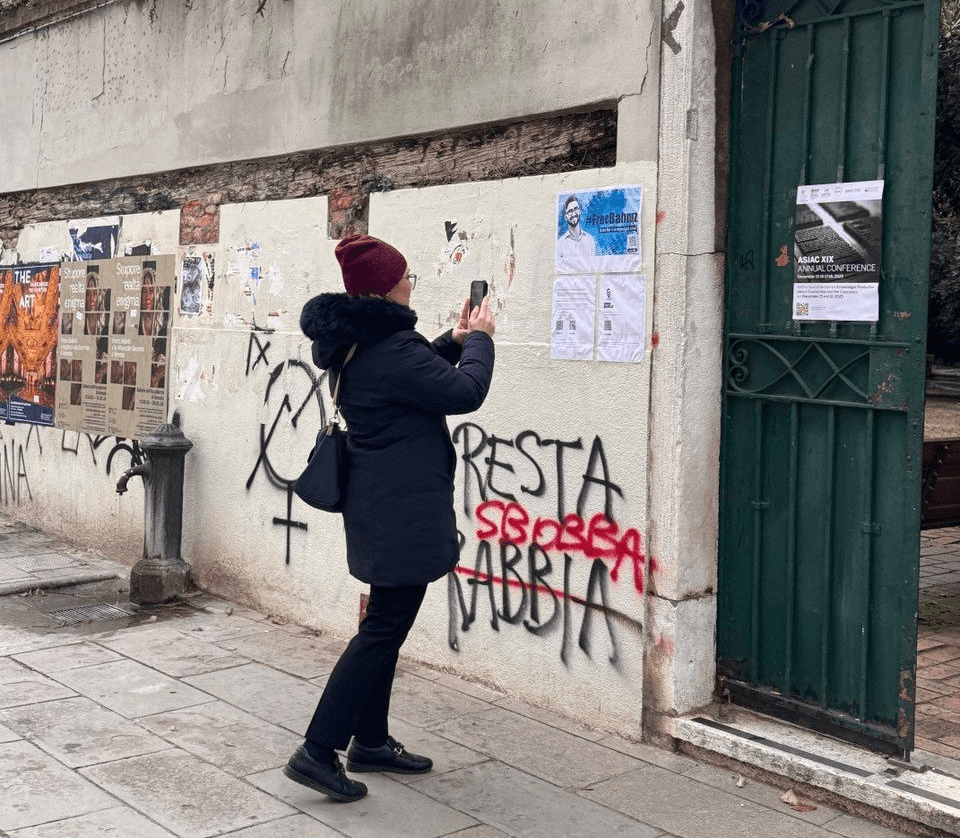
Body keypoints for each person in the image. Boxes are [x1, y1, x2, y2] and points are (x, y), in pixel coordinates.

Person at [286, 233, 495, 803]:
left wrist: (451, 340)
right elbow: (465, 391)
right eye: (406, 278)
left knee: (384, 622)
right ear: (384, 289)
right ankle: (317, 750)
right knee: (382, 629)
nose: (410, 286)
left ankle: (371, 741)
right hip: (400, 509)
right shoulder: (389, 347)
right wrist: (480, 340)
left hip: (381, 504)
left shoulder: (359, 340)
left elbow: (413, 375)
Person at [556, 195, 597, 266]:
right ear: (565, 216)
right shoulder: (560, 244)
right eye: (570, 211)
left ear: (579, 211)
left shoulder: (590, 240)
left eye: (575, 209)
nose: (573, 214)